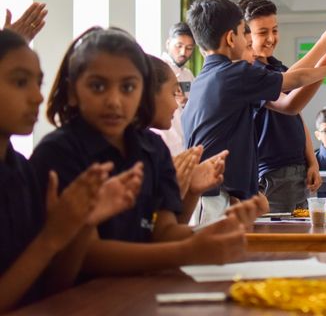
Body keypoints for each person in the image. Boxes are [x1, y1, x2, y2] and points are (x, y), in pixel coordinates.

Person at [30, 26, 265, 276]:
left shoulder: (151, 147)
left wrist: (219, 228)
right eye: (98, 87)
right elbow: (85, 255)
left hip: (140, 289)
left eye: (128, 87)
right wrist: (187, 251)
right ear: (72, 92)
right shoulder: (60, 152)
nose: (114, 100)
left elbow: (163, 232)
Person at [0, 29, 142, 311]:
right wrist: (51, 238)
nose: (37, 98)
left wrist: (79, 226)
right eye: (19, 82)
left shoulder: (22, 171)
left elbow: (52, 290)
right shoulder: (53, 155)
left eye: (37, 84)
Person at [181, 0, 326, 223]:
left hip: (226, 194)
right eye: (246, 35)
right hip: (215, 194)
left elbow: (292, 100)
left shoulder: (209, 78)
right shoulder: (236, 74)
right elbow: (293, 82)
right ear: (232, 38)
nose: (266, 40)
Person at [239, 0, 326, 212]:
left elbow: (295, 113)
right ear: (244, 36)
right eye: (262, 32)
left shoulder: (276, 66)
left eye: (275, 30)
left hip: (296, 170)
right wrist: (325, 48)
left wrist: (311, 160)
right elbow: (289, 100)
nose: (271, 38)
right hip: (271, 172)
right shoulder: (248, 72)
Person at [148, 55, 229, 224]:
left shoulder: (154, 146)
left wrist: (192, 190)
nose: (175, 105)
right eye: (172, 94)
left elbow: (167, 230)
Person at [161, 22, 196, 107]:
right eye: (179, 46)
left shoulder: (188, 74)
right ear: (168, 43)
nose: (183, 52)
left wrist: (185, 102)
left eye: (189, 48)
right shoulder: (157, 69)